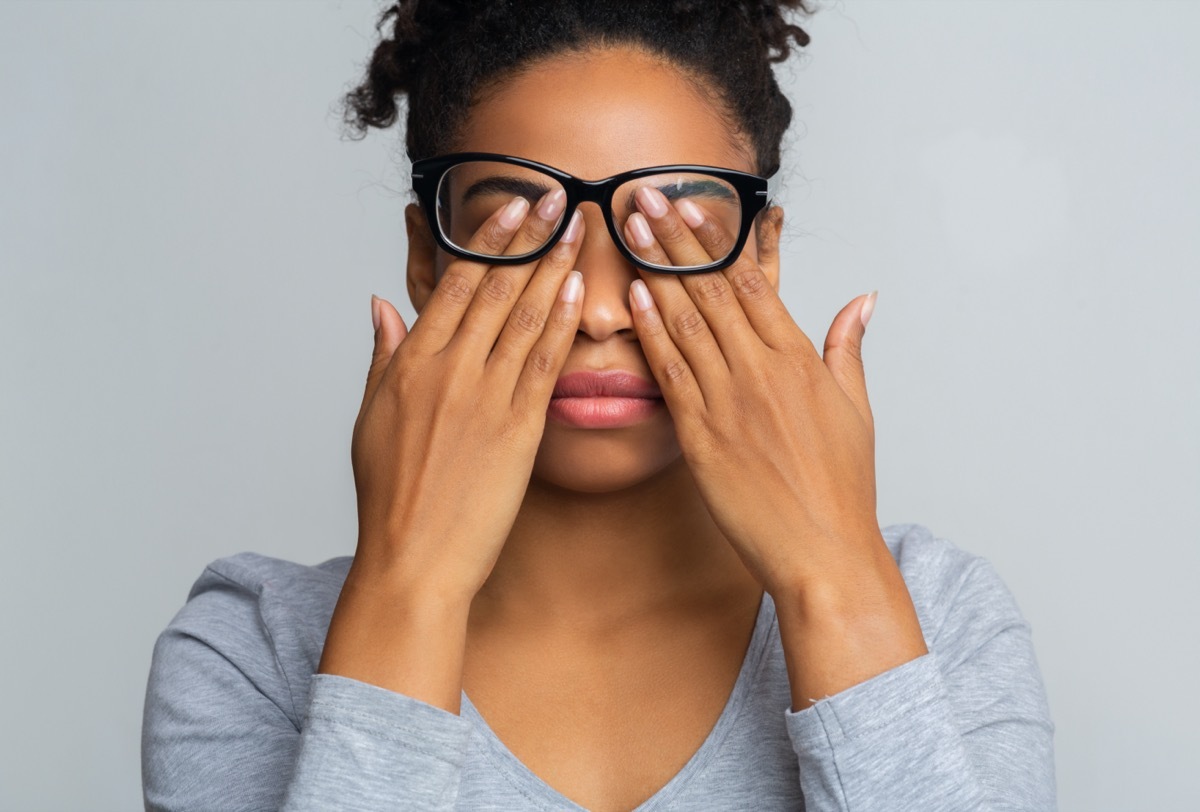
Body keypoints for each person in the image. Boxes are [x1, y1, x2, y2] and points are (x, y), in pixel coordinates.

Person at [141, 1, 1057, 810]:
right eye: (522, 230)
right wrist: (408, 590)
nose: (604, 310)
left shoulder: (938, 620)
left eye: (680, 231)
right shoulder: (250, 650)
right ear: (426, 258)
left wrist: (835, 582)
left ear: (762, 255)